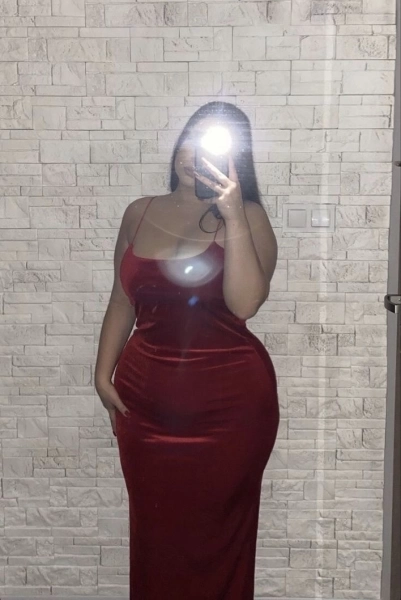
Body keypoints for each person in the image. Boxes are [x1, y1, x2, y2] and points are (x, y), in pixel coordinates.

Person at [94, 101, 280, 599]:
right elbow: (121, 299)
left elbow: (245, 304)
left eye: (211, 144)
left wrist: (232, 212)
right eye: (191, 138)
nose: (194, 153)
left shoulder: (249, 217)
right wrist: (101, 374)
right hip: (145, 405)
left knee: (220, 538)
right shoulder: (139, 212)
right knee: (156, 536)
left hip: (230, 410)